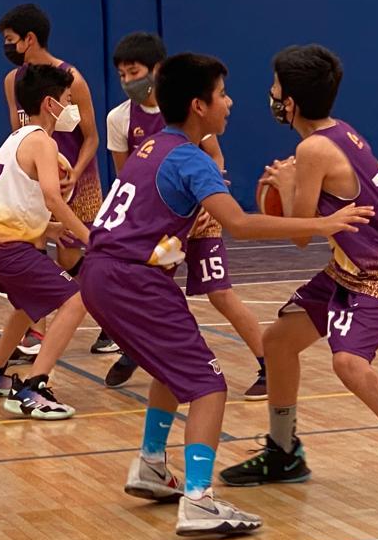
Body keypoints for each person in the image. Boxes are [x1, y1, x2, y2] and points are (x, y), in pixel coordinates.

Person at [78, 52, 372, 536]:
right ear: (199, 106)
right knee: (209, 386)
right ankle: (198, 501)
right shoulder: (191, 160)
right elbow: (239, 223)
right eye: (222, 94)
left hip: (104, 273)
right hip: (134, 281)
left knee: (174, 371)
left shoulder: (153, 147)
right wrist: (322, 222)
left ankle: (152, 464)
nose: (230, 102)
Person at [219, 44, 378, 520]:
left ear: (288, 102)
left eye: (274, 88)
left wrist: (289, 185)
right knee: (277, 342)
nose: (269, 95)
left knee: (350, 364)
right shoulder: (342, 133)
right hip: (353, 264)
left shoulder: (311, 148)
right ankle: (283, 451)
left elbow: (296, 234)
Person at [101, 32, 268, 397]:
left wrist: (209, 198)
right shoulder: (119, 118)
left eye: (135, 71)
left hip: (201, 216)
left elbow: (215, 159)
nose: (129, 80)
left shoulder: (187, 109)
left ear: (156, 70)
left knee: (220, 293)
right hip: (162, 228)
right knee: (149, 285)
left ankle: (266, 362)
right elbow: (126, 173)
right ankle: (137, 348)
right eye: (122, 75)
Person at [0, 65, 91, 420]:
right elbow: (53, 197)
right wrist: (90, 237)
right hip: (5, 246)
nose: (72, 109)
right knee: (77, 300)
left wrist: (46, 229)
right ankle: (34, 388)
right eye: (68, 100)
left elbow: (15, 196)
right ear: (51, 103)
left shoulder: (17, 138)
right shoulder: (42, 142)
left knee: (26, 307)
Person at [0, 3, 113, 356]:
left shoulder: (71, 78)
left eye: (10, 39)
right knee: (31, 252)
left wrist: (74, 172)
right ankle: (35, 335)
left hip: (76, 179)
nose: (7, 46)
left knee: (71, 256)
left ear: (30, 39)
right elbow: (18, 131)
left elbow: (92, 136)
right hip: (37, 181)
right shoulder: (12, 81)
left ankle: (114, 321)